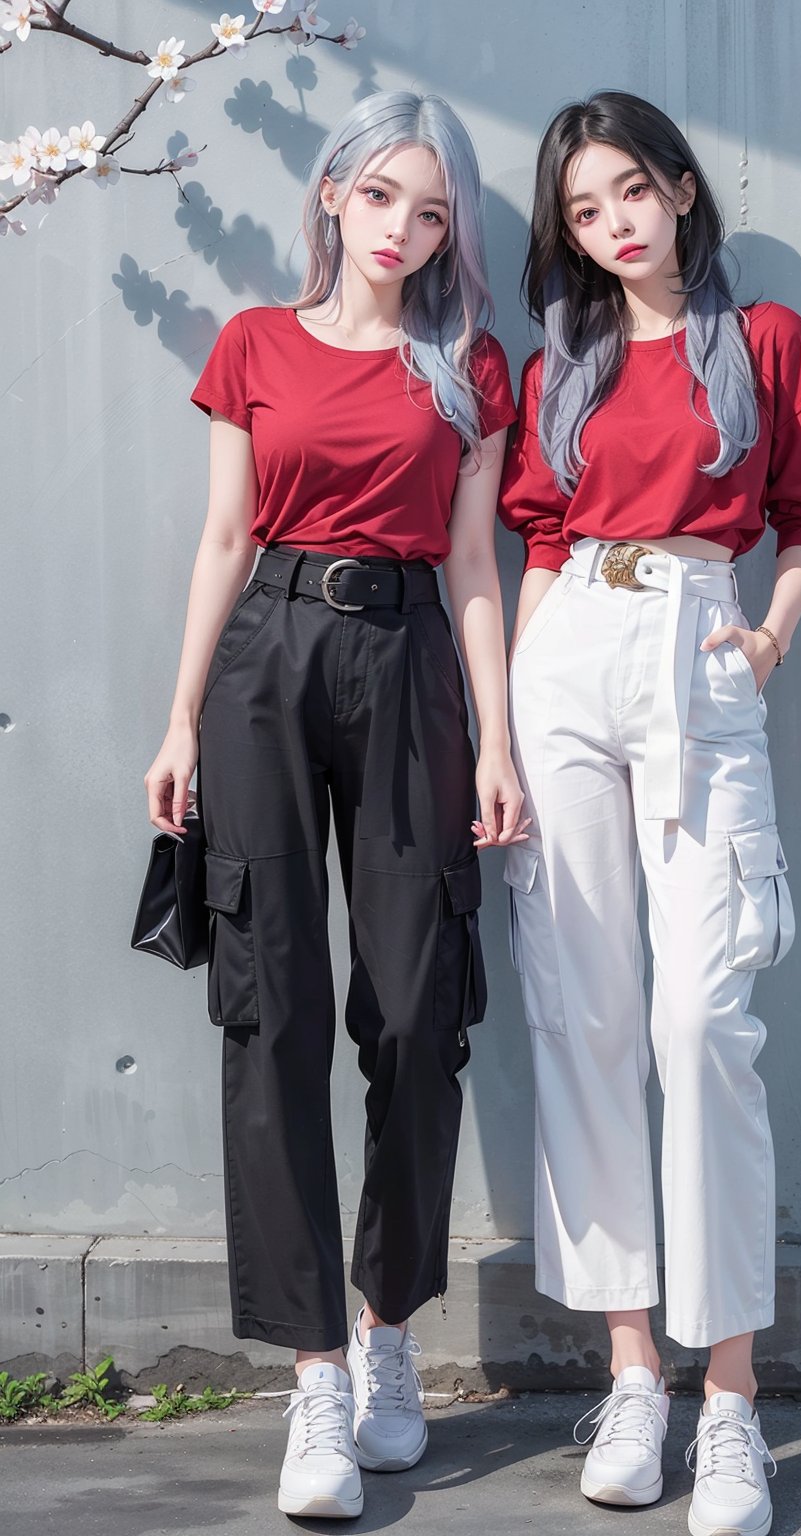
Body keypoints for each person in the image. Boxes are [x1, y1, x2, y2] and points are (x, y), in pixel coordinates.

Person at [144, 90, 525, 1521]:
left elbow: (477, 566)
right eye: (384, 200)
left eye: (433, 213)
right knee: (274, 1005)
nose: (405, 233)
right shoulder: (254, 346)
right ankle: (313, 1379)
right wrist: (179, 716)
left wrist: (492, 740)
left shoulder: (468, 366)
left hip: (414, 657)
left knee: (421, 1011)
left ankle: (386, 1338)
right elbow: (227, 536)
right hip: (264, 662)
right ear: (333, 197)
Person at [499, 90, 801, 1536]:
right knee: (582, 1015)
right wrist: (507, 734)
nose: (615, 223)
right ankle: (633, 1372)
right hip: (568, 653)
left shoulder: (762, 344)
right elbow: (536, 534)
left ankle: (732, 1406)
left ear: (686, 189)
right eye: (585, 210)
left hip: (702, 647)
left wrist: (770, 636)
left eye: (633, 190)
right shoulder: (561, 364)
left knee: (702, 1025)